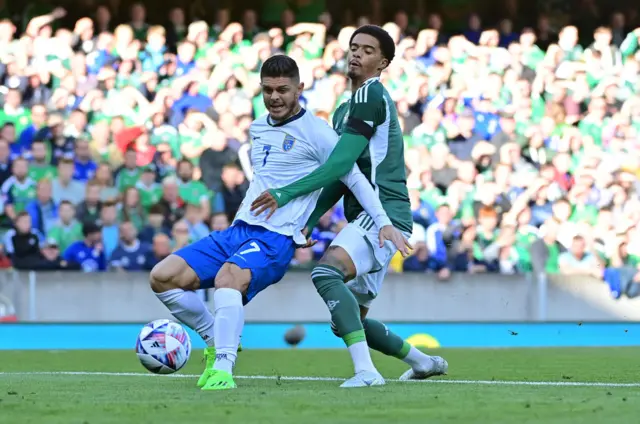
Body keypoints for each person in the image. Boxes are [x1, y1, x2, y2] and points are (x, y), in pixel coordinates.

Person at [149, 54, 407, 391]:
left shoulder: (317, 132)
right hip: (240, 229)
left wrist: (382, 220)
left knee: (228, 279)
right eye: (268, 89)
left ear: (299, 88)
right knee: (163, 277)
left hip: (276, 238)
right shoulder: (257, 127)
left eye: (283, 89)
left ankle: (222, 368)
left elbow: (353, 178)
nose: (274, 97)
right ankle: (215, 336)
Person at [251, 25, 448, 387]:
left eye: (368, 50)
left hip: (383, 215)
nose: (357, 54)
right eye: (354, 47)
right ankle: (424, 363)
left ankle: (366, 373)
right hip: (368, 218)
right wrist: (310, 219)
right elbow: (341, 178)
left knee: (326, 274)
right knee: (347, 317)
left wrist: (285, 194)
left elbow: (339, 165)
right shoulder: (343, 111)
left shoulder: (372, 96)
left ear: (383, 62)